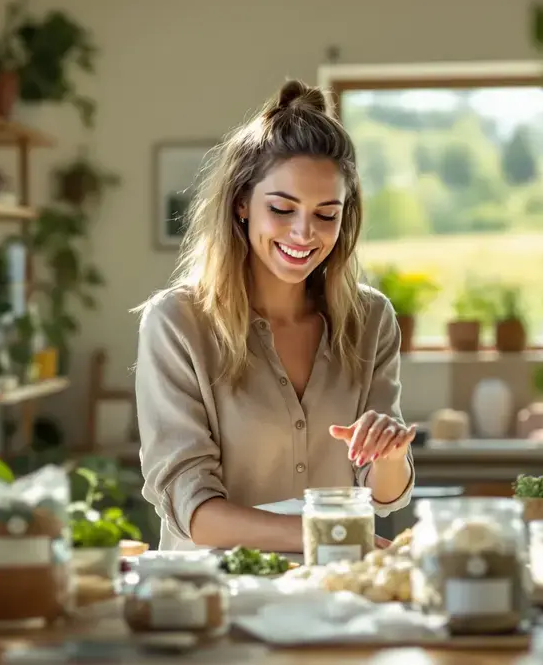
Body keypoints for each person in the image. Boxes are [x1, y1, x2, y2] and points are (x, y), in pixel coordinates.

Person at [134, 79, 415, 552]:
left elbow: (384, 495)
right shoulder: (177, 323)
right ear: (242, 203)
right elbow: (193, 511)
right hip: (218, 590)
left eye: (326, 215)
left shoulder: (370, 320)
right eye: (283, 209)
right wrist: (328, 535)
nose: (304, 233)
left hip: (333, 587)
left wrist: (390, 454)